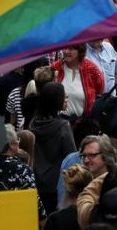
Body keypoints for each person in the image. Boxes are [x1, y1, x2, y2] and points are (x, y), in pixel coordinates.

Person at [30, 82, 76, 214]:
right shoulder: (63, 126)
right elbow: (71, 156)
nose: (66, 99)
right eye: (64, 97)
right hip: (57, 183)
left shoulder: (33, 123)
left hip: (37, 180)